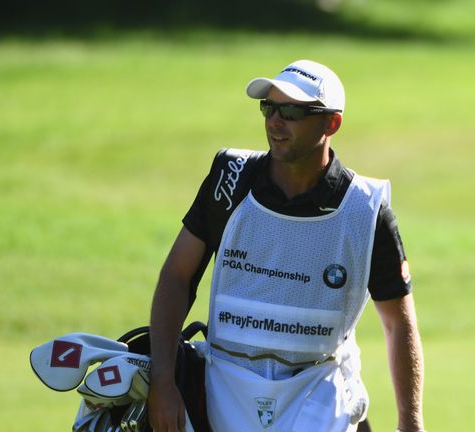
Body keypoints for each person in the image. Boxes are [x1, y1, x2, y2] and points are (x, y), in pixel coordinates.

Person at [147, 59, 424, 432]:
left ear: (332, 123)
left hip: (320, 398)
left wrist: (411, 423)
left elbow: (398, 324)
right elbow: (176, 276)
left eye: (292, 111)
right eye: (269, 108)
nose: (275, 121)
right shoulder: (230, 180)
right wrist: (162, 382)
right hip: (224, 392)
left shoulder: (365, 208)